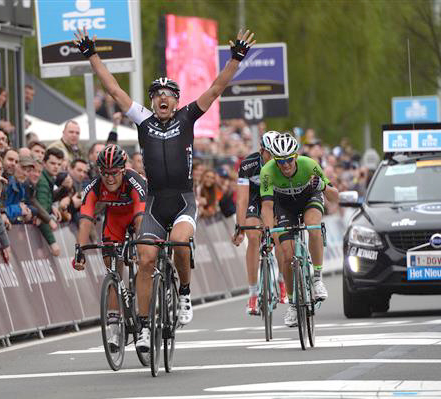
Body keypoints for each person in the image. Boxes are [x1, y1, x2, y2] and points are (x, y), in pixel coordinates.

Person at [74, 26, 256, 351]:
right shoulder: (143, 120)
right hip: (156, 203)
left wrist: (236, 59)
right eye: (156, 94)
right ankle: (143, 328)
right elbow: (114, 90)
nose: (162, 97)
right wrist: (92, 54)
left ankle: (184, 293)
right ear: (152, 101)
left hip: (184, 200)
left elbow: (215, 89)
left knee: (179, 242)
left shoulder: (187, 117)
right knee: (145, 260)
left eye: (168, 94)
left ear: (175, 100)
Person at [259, 133, 339, 327]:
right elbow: (267, 207)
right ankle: (294, 303)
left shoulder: (309, 164)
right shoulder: (267, 172)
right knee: (287, 255)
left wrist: (322, 185)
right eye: (280, 161)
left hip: (308, 199)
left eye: (288, 160)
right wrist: (268, 233)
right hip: (284, 206)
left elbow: (335, 197)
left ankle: (318, 278)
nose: (285, 165)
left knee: (313, 227)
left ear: (295, 156)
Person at [73, 145, 146, 350]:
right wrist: (80, 249)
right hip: (115, 222)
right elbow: (86, 219)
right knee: (113, 271)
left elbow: (140, 217)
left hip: (139, 216)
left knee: (145, 262)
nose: (109, 178)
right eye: (104, 173)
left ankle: (147, 320)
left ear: (123, 170)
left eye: (114, 173)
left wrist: (140, 246)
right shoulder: (94, 187)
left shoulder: (134, 181)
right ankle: (114, 326)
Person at [232, 131, 287, 315]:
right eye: (270, 154)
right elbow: (241, 199)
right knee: (253, 237)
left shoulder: (282, 163)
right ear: (262, 150)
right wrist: (240, 227)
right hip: (254, 199)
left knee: (278, 235)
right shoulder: (248, 164)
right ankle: (253, 294)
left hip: (276, 199)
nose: (274, 158)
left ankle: (281, 281)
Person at [35, 147, 63, 256]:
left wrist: (51, 206)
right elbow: (41, 215)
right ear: (44, 163)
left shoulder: (48, 180)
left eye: (59, 164)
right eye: (52, 163)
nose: (56, 167)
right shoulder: (42, 182)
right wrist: (52, 242)